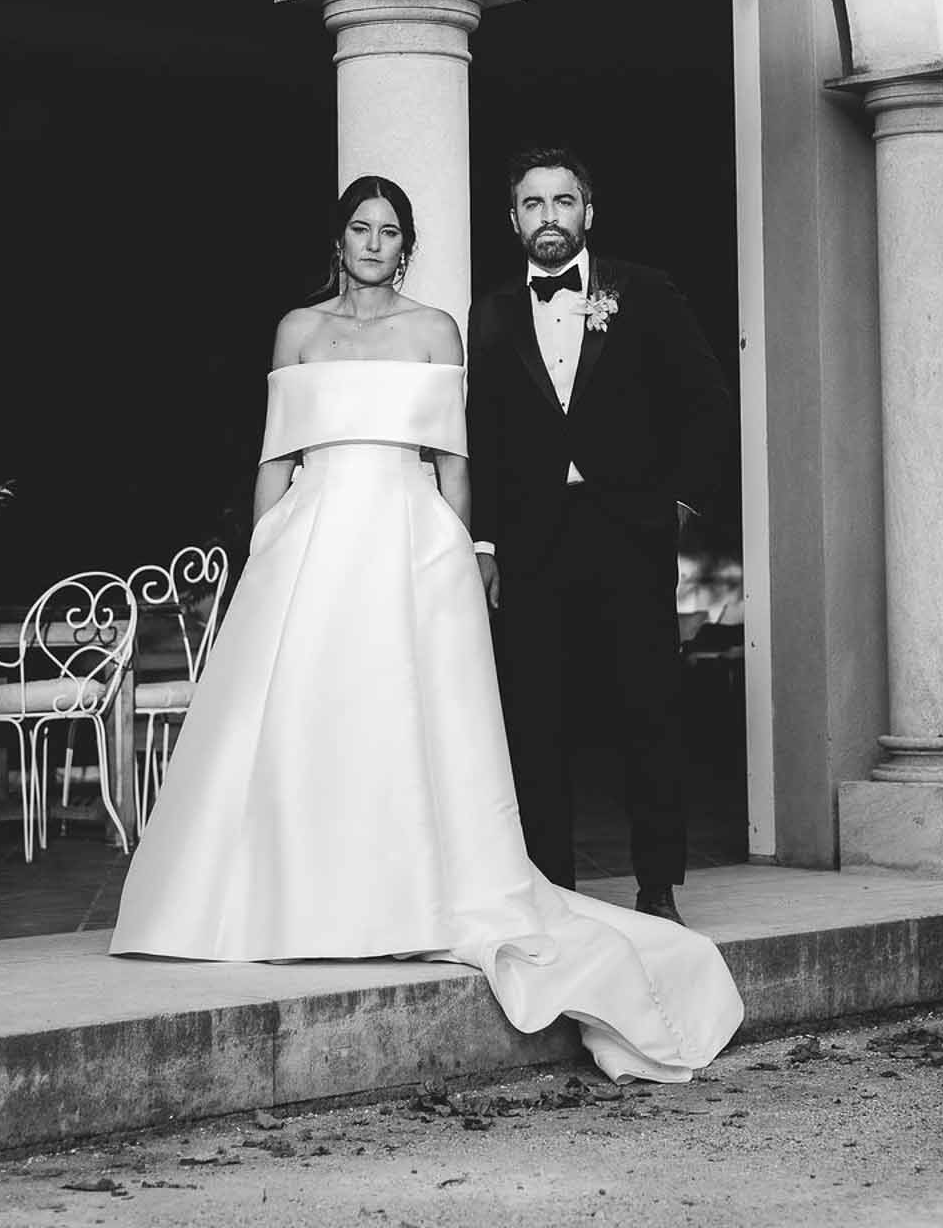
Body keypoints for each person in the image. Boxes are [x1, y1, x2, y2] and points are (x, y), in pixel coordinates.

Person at [111, 176, 742, 1083]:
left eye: (389, 231)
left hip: (410, 539)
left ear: (407, 245)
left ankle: (530, 885)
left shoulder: (439, 328)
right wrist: (259, 559)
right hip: (311, 539)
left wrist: (465, 551)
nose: (374, 242)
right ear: (339, 239)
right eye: (360, 229)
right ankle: (289, 900)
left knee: (416, 719)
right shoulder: (296, 329)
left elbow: (455, 459)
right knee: (306, 719)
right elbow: (273, 457)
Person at [466, 147, 734, 925]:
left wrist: (677, 501)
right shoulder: (490, 313)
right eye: (531, 203)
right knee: (536, 714)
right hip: (532, 540)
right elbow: (481, 431)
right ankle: (550, 888)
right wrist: (484, 544)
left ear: (588, 211)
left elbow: (707, 399)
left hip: (628, 530)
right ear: (512, 219)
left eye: (562, 201)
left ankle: (657, 884)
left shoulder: (642, 292)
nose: (548, 216)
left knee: (646, 707)